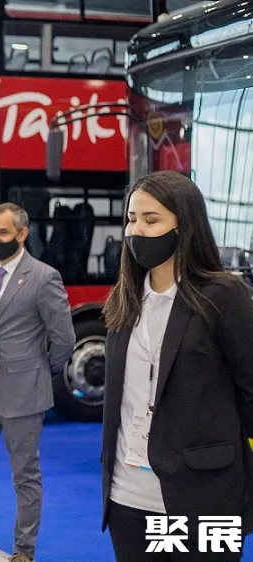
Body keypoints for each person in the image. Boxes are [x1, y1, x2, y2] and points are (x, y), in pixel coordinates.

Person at [101, 171, 253, 561]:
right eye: (132, 219)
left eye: (151, 220)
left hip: (204, 494)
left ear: (184, 226)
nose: (137, 230)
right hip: (127, 496)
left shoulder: (223, 296)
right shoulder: (124, 299)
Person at [0, 202, 75, 562]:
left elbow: (64, 339)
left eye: (2, 232)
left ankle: (23, 551)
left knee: (25, 474)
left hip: (24, 391)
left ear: (22, 234)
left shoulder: (44, 276)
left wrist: (41, 371)